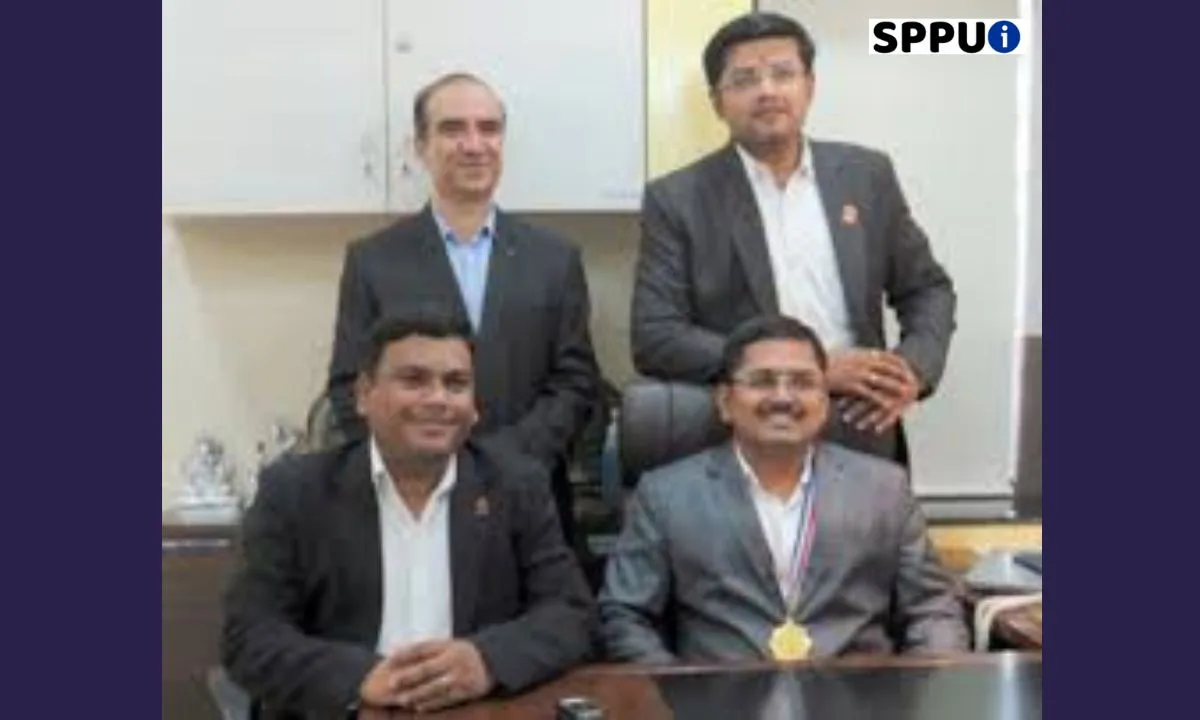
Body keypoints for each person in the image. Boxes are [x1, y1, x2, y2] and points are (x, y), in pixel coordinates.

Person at [222, 311, 596, 718]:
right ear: (364, 395)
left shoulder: (515, 486)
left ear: (473, 406)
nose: (437, 399)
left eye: (456, 384)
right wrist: (360, 677)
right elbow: (249, 634)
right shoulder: (295, 492)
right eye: (414, 380)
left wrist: (486, 661)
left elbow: (570, 612)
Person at [630, 11, 956, 465]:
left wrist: (912, 369)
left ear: (810, 86)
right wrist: (809, 369)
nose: (767, 90)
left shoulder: (866, 176)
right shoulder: (677, 198)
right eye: (745, 79)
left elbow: (926, 289)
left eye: (783, 73)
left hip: (857, 419)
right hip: (741, 431)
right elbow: (656, 336)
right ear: (718, 102)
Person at [599, 314, 968, 664]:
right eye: (762, 381)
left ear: (824, 402)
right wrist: (674, 693)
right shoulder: (666, 495)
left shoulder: (884, 490)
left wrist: (925, 687)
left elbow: (933, 609)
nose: (783, 398)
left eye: (803, 383)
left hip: (857, 694)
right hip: (721, 697)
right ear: (725, 402)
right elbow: (625, 615)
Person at [325, 71, 599, 543]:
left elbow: (575, 382)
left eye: (488, 129)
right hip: (410, 503)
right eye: (453, 129)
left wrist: (502, 462)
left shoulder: (555, 259)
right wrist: (419, 464)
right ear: (420, 145)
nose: (474, 145)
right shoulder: (373, 260)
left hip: (528, 500)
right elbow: (351, 386)